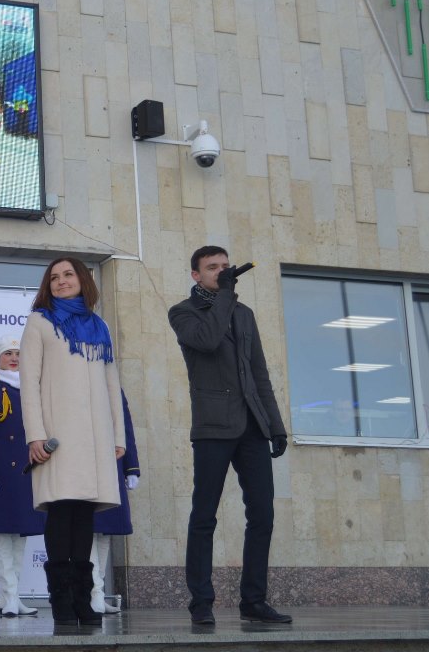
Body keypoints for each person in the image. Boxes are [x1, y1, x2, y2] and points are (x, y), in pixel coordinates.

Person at [168, 246, 291, 625]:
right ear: (196, 275)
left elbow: (259, 374)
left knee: (263, 515)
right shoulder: (184, 312)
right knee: (204, 515)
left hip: (252, 425)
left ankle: (253, 601)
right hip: (213, 426)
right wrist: (225, 294)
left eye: (225, 266)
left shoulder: (244, 313)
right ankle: (201, 603)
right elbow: (206, 340)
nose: (222, 272)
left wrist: (275, 424)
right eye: (213, 268)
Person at [20, 256, 124, 627]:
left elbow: (113, 385)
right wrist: (36, 434)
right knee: (61, 511)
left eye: (68, 275)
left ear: (83, 279)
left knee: (83, 515)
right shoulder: (40, 322)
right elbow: (28, 382)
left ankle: (84, 598)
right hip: (57, 436)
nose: (62, 281)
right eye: (54, 277)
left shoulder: (99, 325)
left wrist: (118, 435)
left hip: (95, 436)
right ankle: (61, 599)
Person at [0, 334, 45, 618]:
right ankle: (11, 596)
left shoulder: (33, 388)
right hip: (0, 473)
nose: (14, 358)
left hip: (27, 473)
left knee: (20, 536)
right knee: (3, 537)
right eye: (8, 354)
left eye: (18, 353)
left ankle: (10, 597)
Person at [89, 391, 141, 614]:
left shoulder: (113, 389)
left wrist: (132, 468)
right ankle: (93, 592)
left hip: (111, 466)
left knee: (105, 531)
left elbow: (125, 429)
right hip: (85, 465)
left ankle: (97, 592)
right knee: (88, 531)